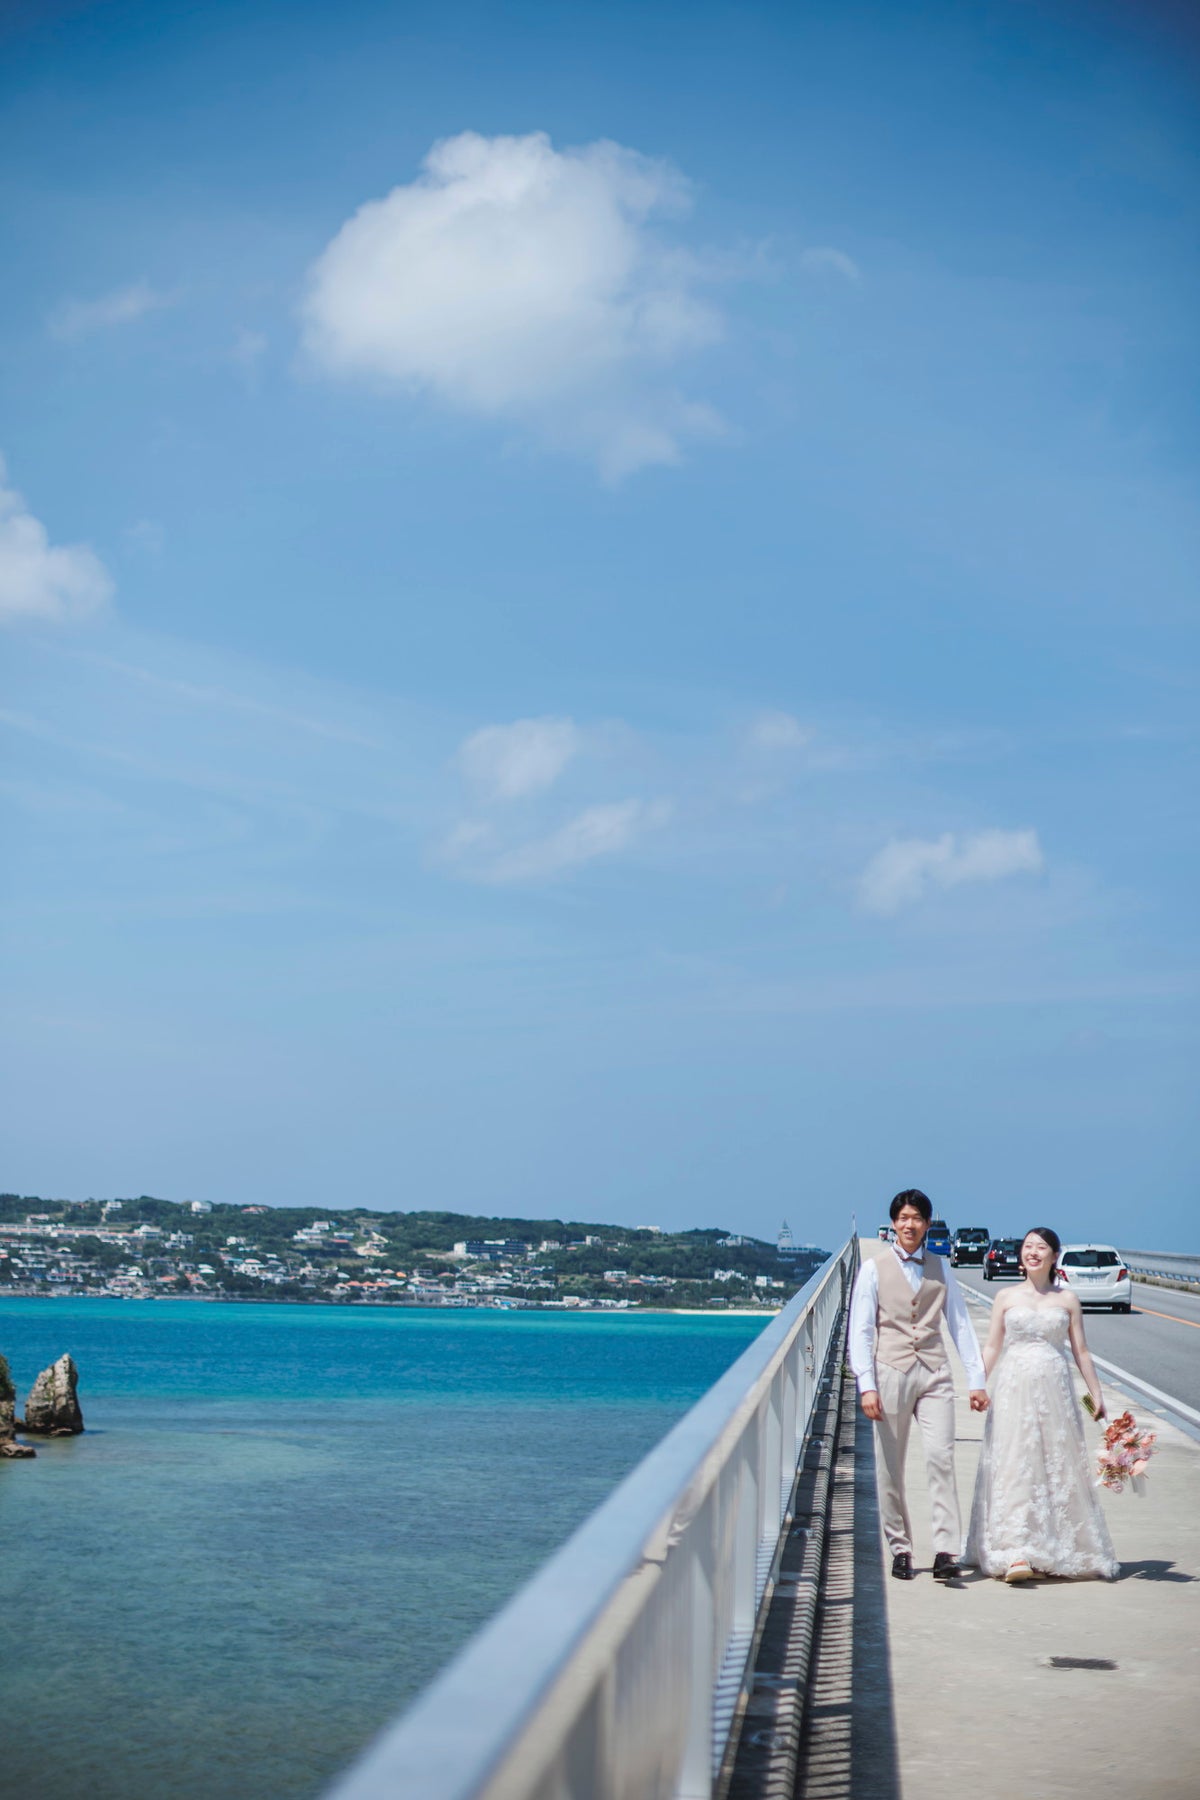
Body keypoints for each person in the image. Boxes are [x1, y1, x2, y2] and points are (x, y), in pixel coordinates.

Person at [964, 1226, 1118, 1582]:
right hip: (1013, 1387)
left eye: (1041, 1247)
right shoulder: (1005, 1296)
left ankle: (1058, 1545)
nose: (1033, 1252)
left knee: (1056, 1464)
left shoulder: (1067, 1300)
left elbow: (1080, 1350)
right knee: (1013, 1462)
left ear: (1053, 1255)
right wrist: (977, 1383)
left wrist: (1096, 1394)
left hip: (1055, 1390)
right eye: (1028, 1246)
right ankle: (1016, 1549)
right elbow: (992, 1346)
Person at [849, 1189, 989, 1581]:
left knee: (941, 1459)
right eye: (903, 1217)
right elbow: (859, 1330)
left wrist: (975, 1380)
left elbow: (959, 1325)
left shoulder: (941, 1268)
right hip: (889, 1371)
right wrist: (866, 1384)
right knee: (890, 1466)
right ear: (894, 1223)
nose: (910, 1224)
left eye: (917, 1218)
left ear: (928, 1224)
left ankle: (946, 1550)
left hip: (934, 1372)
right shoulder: (873, 1269)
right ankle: (900, 1548)